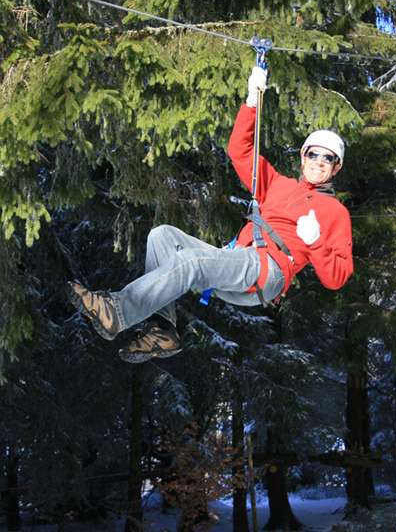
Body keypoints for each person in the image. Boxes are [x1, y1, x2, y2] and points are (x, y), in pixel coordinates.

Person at [68, 67, 353, 363]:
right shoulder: (278, 184)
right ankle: (163, 330)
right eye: (313, 154)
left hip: (269, 271)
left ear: (337, 167)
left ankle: (118, 311)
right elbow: (239, 150)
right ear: (303, 157)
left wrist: (316, 241)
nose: (319, 162)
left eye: (328, 158)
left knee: (191, 261)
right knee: (162, 236)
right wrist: (251, 102)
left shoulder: (335, 212)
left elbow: (337, 278)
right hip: (239, 261)